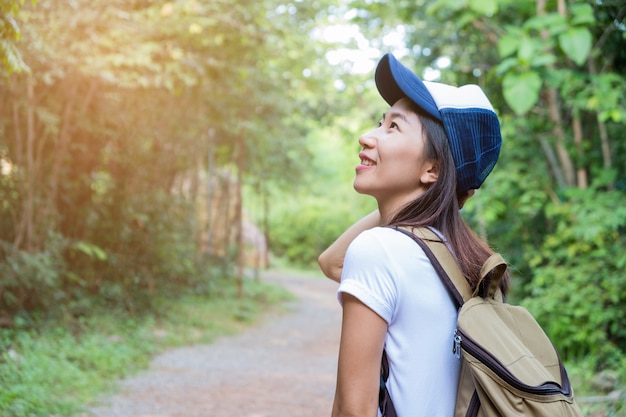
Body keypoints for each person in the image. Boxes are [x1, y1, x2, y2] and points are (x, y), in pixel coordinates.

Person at [320, 53, 508, 417]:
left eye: (393, 127)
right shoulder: (470, 263)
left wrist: (423, 200)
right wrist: (433, 198)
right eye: (380, 122)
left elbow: (353, 409)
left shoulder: (381, 250)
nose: (366, 136)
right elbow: (332, 263)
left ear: (432, 167)